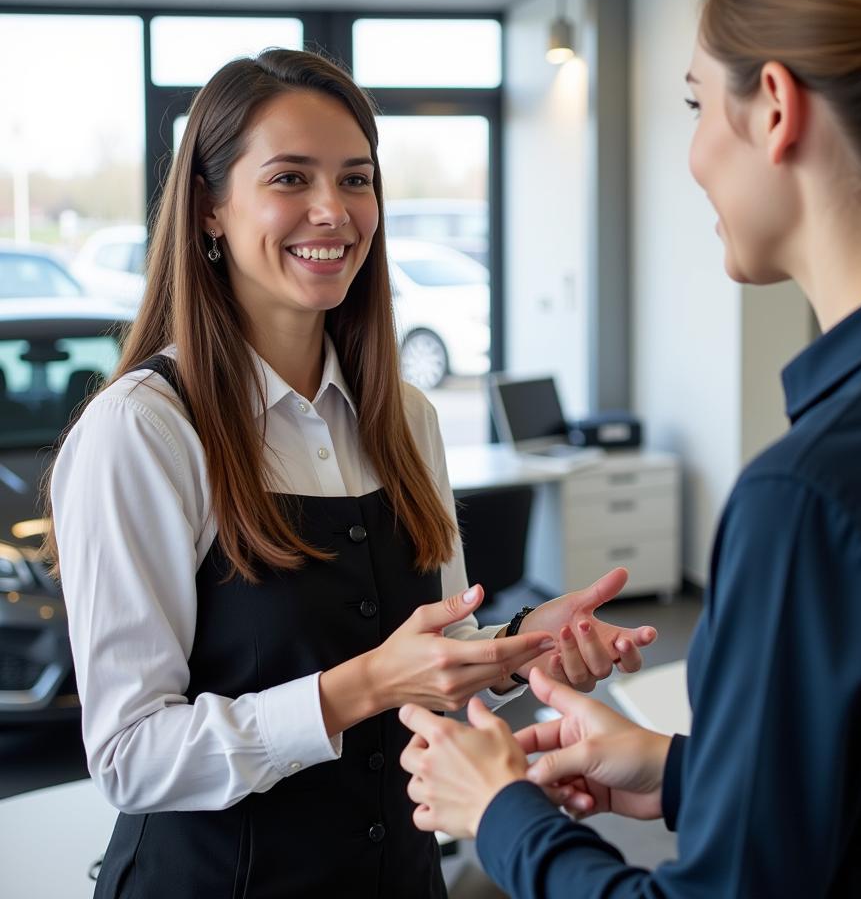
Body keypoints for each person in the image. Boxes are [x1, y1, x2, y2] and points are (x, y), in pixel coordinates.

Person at [397, 0, 861, 897]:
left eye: (695, 106)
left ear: (774, 107)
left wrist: (500, 811)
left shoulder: (813, 497)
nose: (692, 157)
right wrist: (688, 771)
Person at [45, 48, 659, 898]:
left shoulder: (407, 419)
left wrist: (524, 649)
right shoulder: (144, 431)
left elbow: (428, 668)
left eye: (357, 179)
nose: (333, 211)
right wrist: (358, 687)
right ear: (210, 210)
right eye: (290, 179)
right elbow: (129, 758)